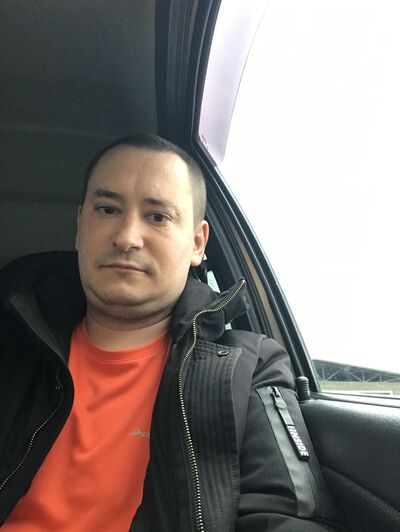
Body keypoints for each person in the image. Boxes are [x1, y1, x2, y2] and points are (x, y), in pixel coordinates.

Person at [0, 134, 342, 531]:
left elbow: (288, 517)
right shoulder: (12, 343)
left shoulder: (248, 369)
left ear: (197, 243)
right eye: (107, 209)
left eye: (158, 217)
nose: (126, 237)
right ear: (80, 226)